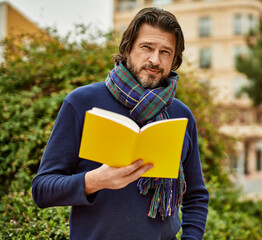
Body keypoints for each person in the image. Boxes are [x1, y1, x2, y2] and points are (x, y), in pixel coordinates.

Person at [32, 7, 209, 240]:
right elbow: (42, 190)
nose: (155, 59)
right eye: (146, 47)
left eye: (165, 52)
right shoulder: (82, 102)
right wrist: (95, 180)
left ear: (174, 59)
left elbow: (196, 195)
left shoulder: (180, 115)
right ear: (127, 48)